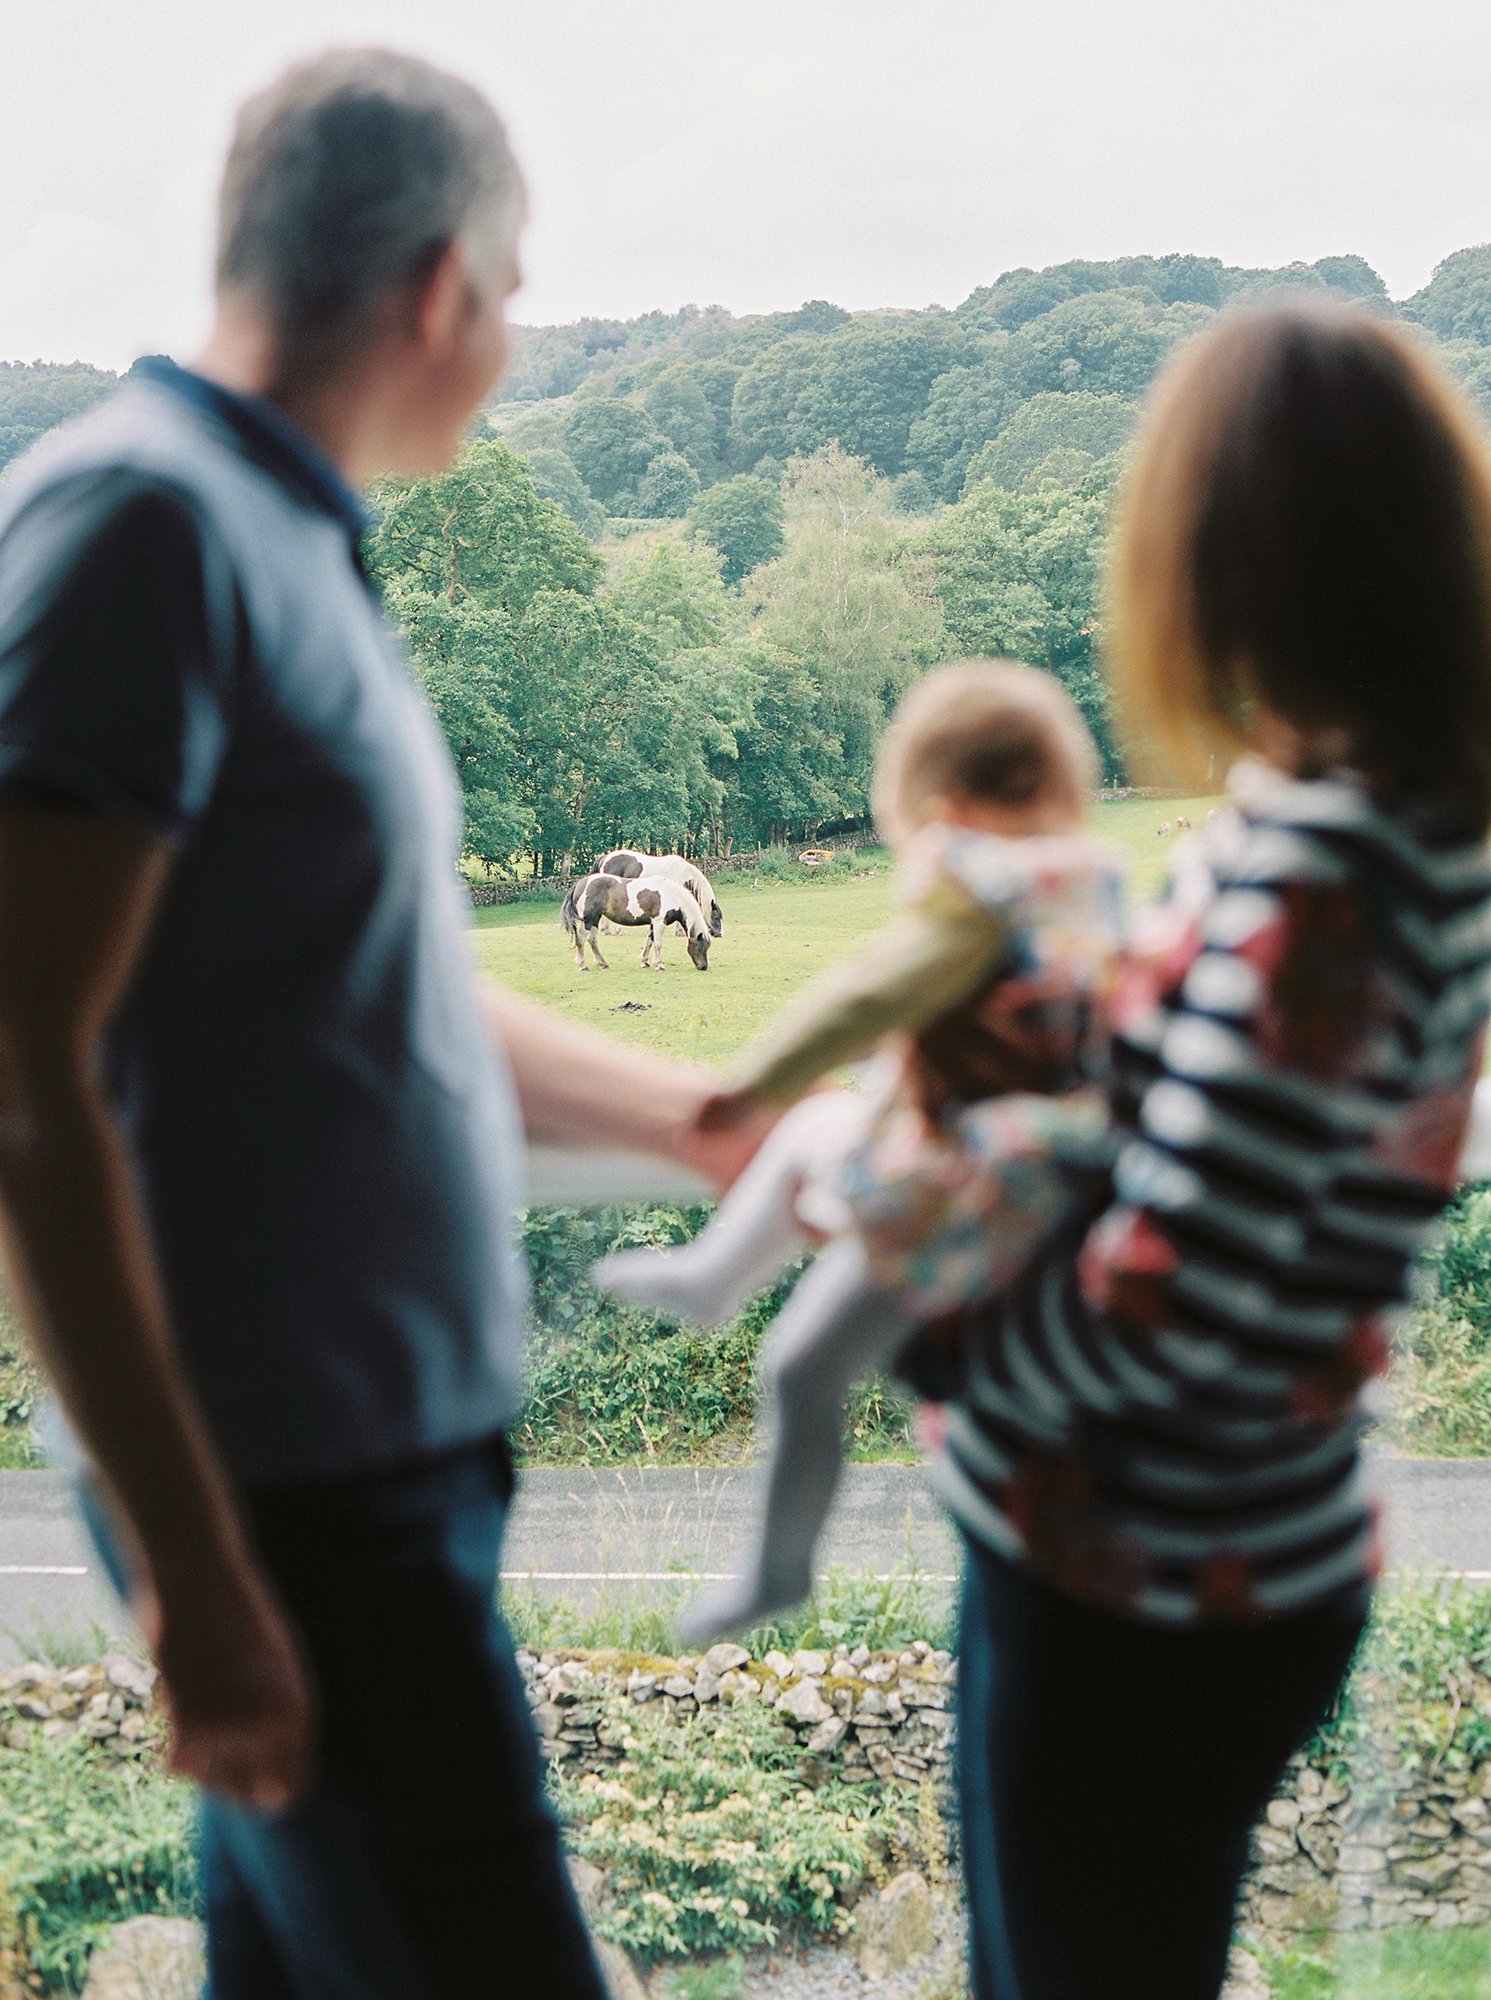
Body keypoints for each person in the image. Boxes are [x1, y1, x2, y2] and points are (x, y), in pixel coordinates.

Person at [0, 50, 761, 2000]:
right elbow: (24, 1084)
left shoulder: (274, 540)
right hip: (289, 1512)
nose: (504, 341)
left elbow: (379, 989)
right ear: (442, 287)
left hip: (369, 1476)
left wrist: (709, 1113)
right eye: (511, 297)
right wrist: (192, 1576)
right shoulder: (137, 533)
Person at [925, 303, 1491, 1999]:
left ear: (1229, 562)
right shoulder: (1399, 813)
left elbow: (1172, 1297)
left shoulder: (1332, 867)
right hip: (1236, 1545)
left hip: (1145, 1581)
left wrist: (931, 1344)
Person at [596, 660, 1125, 1641]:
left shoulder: (979, 888)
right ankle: (713, 1276)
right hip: (1056, 1172)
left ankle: (778, 1569)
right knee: (816, 1135)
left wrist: (746, 1086)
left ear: (942, 804)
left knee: (802, 1370)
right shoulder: (1091, 888)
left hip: (970, 1178)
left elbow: (866, 996)